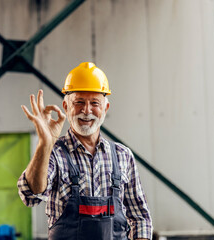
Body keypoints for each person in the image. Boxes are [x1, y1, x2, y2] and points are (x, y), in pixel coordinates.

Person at [17, 62, 153, 240]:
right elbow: (31, 195)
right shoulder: (54, 153)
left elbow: (140, 217)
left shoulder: (122, 156)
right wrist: (44, 143)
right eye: (79, 102)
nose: (86, 110)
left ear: (105, 108)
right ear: (66, 107)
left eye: (94, 103)